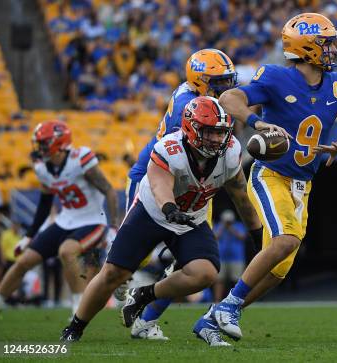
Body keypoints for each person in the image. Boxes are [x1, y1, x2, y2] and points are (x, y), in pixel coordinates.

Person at [211, 12, 337, 341]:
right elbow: (229, 98)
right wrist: (257, 122)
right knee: (285, 241)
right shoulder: (277, 78)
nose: (334, 48)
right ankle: (228, 305)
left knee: (279, 270)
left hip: (303, 184)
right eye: (327, 43)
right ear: (306, 47)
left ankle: (210, 317)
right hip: (271, 175)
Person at [60, 96, 262, 347]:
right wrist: (169, 208)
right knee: (113, 273)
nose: (215, 139)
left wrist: (258, 233)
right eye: (208, 132)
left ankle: (143, 294)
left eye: (220, 132)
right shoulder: (169, 148)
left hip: (191, 219)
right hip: (152, 212)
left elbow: (241, 196)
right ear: (190, 127)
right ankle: (75, 326)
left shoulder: (230, 153)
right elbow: (159, 185)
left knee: (205, 273)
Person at [121, 48, 259, 341]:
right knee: (127, 260)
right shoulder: (191, 108)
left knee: (188, 263)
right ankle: (94, 297)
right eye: (218, 82)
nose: (226, 89)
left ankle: (145, 320)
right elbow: (182, 162)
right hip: (156, 177)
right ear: (200, 81)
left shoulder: (202, 101)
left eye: (227, 81)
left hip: (191, 188)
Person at [0, 121, 118, 320]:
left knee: (66, 251)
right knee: (24, 261)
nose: (39, 148)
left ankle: (78, 308)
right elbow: (45, 204)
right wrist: (28, 236)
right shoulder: (43, 168)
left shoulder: (80, 159)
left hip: (94, 219)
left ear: (59, 143)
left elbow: (110, 190)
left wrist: (113, 227)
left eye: (43, 143)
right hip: (65, 220)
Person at [213, 210, 247, 301]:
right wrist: (222, 227)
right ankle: (217, 301)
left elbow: (242, 237)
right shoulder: (218, 226)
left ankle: (235, 300)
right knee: (219, 281)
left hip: (237, 258)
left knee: (237, 281)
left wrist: (231, 229)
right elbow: (214, 237)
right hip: (221, 258)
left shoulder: (238, 225)